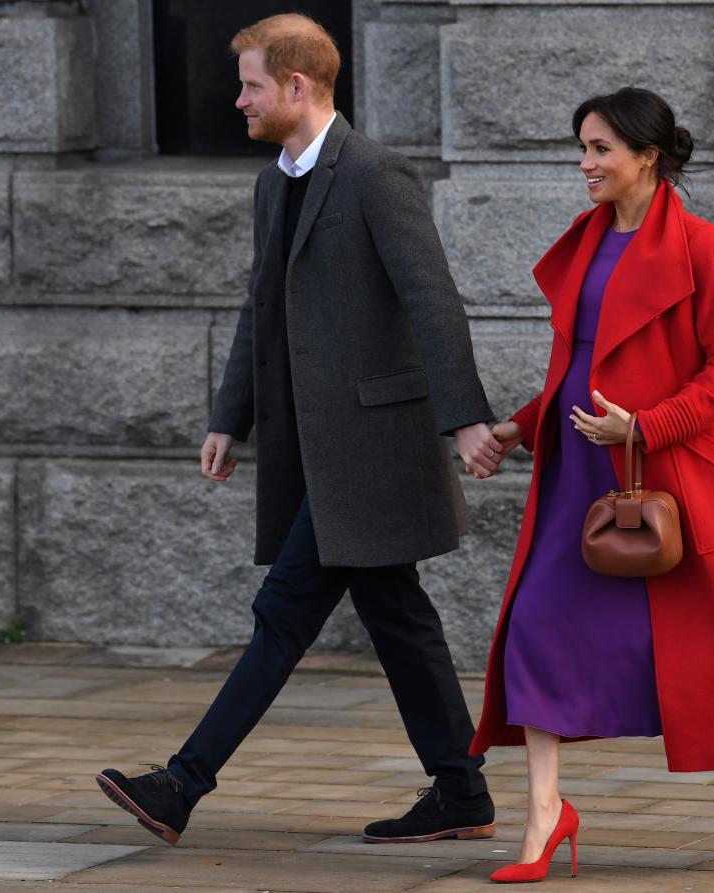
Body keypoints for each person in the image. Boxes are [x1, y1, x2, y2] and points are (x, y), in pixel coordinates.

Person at [95, 13, 504, 847]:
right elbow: (262, 306)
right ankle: (461, 788)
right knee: (397, 613)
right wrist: (227, 417)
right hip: (313, 448)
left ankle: (182, 783)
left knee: (284, 609)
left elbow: (433, 300)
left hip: (372, 448)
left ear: (296, 86)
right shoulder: (271, 182)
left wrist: (464, 420)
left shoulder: (376, 176)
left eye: (249, 85)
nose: (236, 100)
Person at [469, 87, 714, 883]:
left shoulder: (701, 245)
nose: (585, 164)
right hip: (580, 473)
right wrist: (520, 423)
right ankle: (545, 813)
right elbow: (584, 365)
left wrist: (646, 426)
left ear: (648, 155)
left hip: (678, 476)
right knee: (537, 623)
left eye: (601, 148)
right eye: (581, 147)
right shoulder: (584, 241)